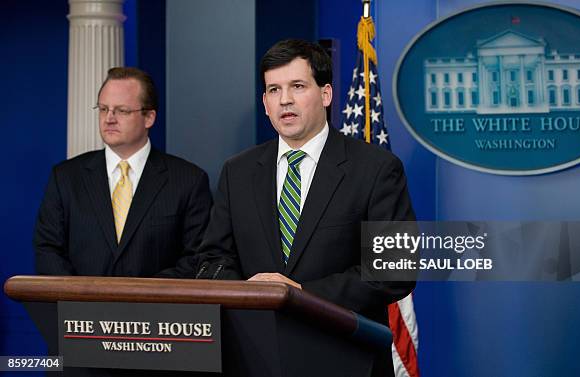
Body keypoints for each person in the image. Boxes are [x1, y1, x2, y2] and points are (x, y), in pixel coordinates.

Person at [162, 39, 416, 374]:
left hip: (344, 358)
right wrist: (249, 295)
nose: (285, 100)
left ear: (325, 94)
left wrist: (299, 295)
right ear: (265, 103)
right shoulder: (237, 171)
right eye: (273, 90)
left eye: (297, 86)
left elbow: (394, 271)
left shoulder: (377, 169)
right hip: (255, 356)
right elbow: (213, 258)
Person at [34, 67, 212, 277]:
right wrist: (79, 300)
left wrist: (141, 298)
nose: (109, 118)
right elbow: (48, 250)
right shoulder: (65, 177)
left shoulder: (189, 180)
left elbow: (197, 257)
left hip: (158, 307)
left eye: (122, 111)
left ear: (149, 118)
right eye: (103, 109)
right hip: (79, 307)